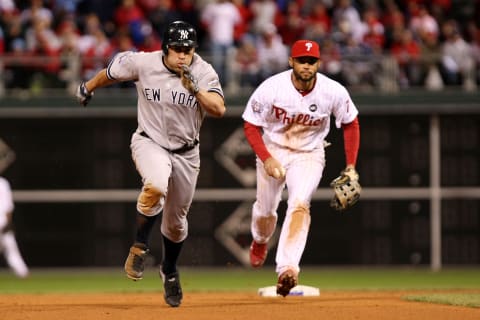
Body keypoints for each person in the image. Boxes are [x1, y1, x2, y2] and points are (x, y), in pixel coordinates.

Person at [75, 20, 226, 307]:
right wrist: (88, 87)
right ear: (165, 48)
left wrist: (195, 90)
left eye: (188, 49)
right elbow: (110, 73)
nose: (183, 55)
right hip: (149, 141)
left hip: (186, 152)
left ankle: (169, 269)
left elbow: (219, 109)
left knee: (176, 223)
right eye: (177, 49)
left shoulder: (203, 71)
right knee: (155, 184)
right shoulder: (143, 63)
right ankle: (140, 245)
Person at [242, 39, 360, 297]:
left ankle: (288, 269)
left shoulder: (333, 90)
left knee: (299, 204)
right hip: (273, 149)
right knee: (265, 210)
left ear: (318, 63)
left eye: (311, 61)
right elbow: (250, 125)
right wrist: (266, 157)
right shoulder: (272, 87)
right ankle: (260, 241)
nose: (306, 66)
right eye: (301, 60)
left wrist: (351, 166)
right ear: (291, 62)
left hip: (309, 154)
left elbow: (351, 123)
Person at [0, 143, 29, 278]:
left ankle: (22, 273)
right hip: (2, 222)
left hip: (2, 222)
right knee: (11, 249)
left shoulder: (3, 183)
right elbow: (8, 206)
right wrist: (9, 222)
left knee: (11, 248)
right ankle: (23, 274)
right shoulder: (3, 183)